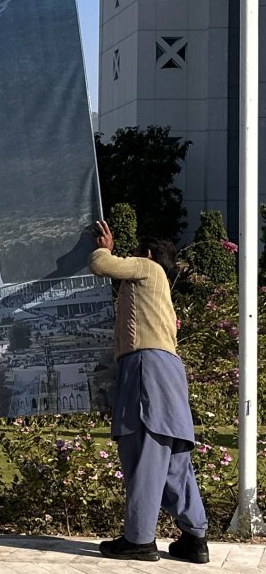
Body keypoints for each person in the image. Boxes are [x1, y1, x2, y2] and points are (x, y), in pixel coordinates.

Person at [89, 220, 208, 564]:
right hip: (167, 370)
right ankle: (194, 537)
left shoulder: (148, 267)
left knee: (145, 451)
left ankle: (139, 539)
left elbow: (102, 264)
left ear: (149, 253)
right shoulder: (160, 287)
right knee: (173, 460)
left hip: (146, 367)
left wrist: (105, 247)